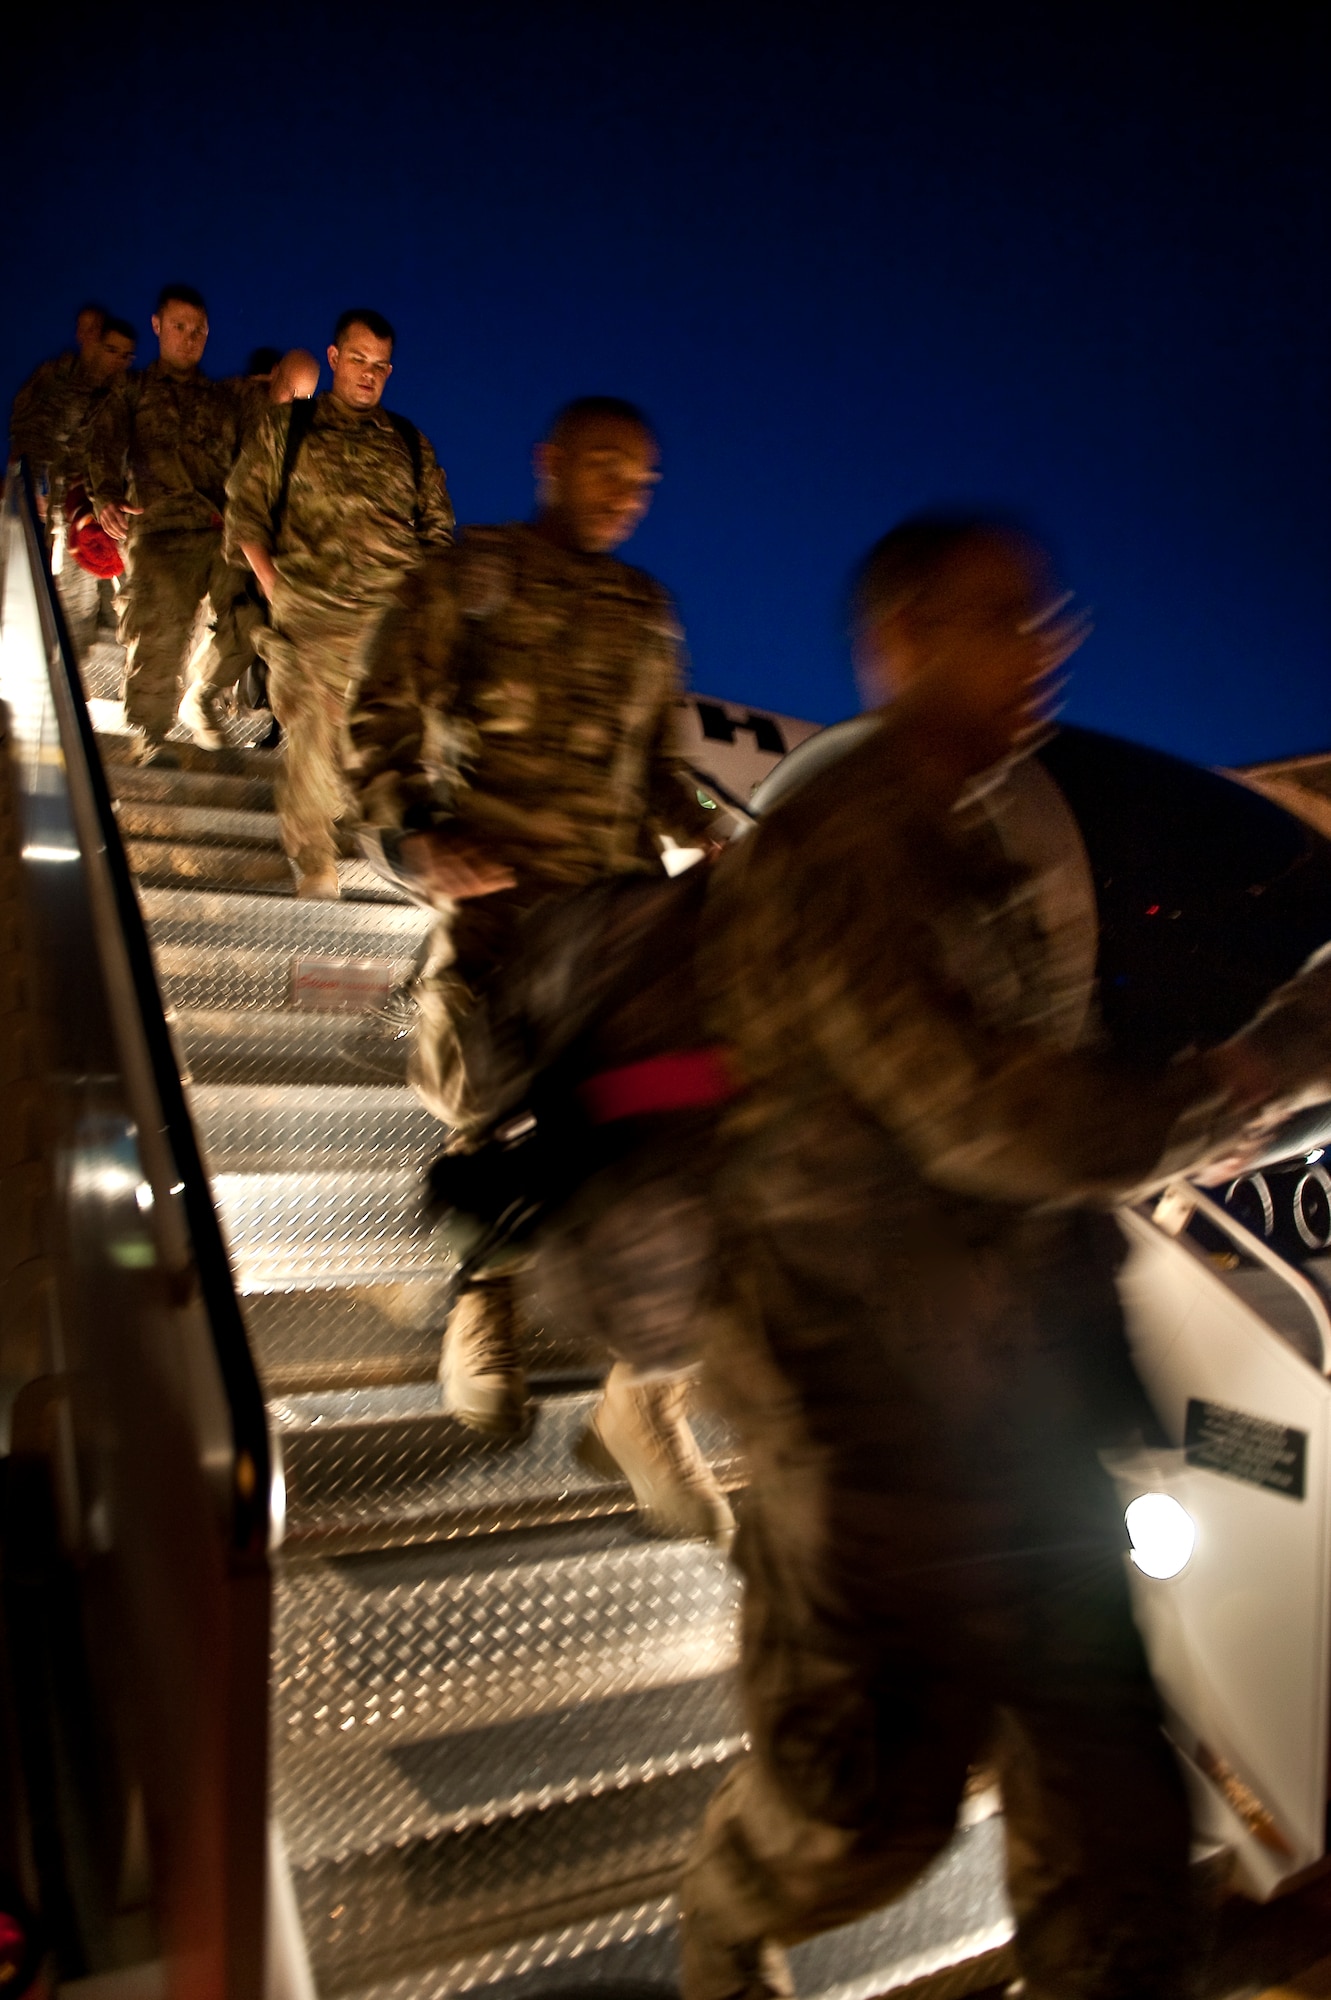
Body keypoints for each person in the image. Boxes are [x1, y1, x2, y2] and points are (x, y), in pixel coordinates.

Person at [675, 514, 1331, 2000]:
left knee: (1105, 1807)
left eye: (1045, 619)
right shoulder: (842, 839)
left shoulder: (971, 839)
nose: (1042, 649)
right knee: (862, 1816)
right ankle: (722, 1917)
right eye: (996, 619)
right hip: (864, 1423)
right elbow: (987, 1122)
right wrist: (1252, 1068)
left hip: (1020, 1406)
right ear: (895, 642)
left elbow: (1038, 1104)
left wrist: (1164, 1123)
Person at [345, 396, 732, 1542]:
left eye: (644, 478)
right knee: (487, 1103)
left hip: (614, 914)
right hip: (498, 901)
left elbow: (664, 765)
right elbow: (378, 713)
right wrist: (412, 836)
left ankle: (642, 1401)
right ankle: (486, 1294)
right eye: (607, 465)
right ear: (550, 460)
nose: (625, 490)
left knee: (667, 1135)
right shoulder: (475, 573)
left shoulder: (647, 611)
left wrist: (711, 828)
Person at [223, 308, 453, 893]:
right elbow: (245, 511)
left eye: (380, 366)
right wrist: (274, 585)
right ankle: (316, 862)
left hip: (391, 623)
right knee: (317, 732)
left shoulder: (409, 443)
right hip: (313, 610)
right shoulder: (288, 430)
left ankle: (372, 838)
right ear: (333, 359)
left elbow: (438, 534)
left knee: (398, 740)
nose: (368, 374)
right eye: (357, 360)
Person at [85, 284, 252, 763]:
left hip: (220, 534)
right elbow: (103, 443)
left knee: (258, 612)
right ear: (158, 327)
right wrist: (106, 497)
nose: (189, 337)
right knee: (159, 630)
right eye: (179, 327)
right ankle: (150, 733)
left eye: (198, 329)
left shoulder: (224, 399)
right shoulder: (132, 390)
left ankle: (201, 692)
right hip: (159, 532)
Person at [9, 309, 137, 661]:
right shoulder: (55, 378)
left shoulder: (126, 392)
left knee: (117, 598)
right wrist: (32, 489)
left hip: (112, 507)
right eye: (111, 349)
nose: (119, 360)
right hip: (66, 505)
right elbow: (26, 435)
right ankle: (69, 668)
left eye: (126, 354)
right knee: (72, 595)